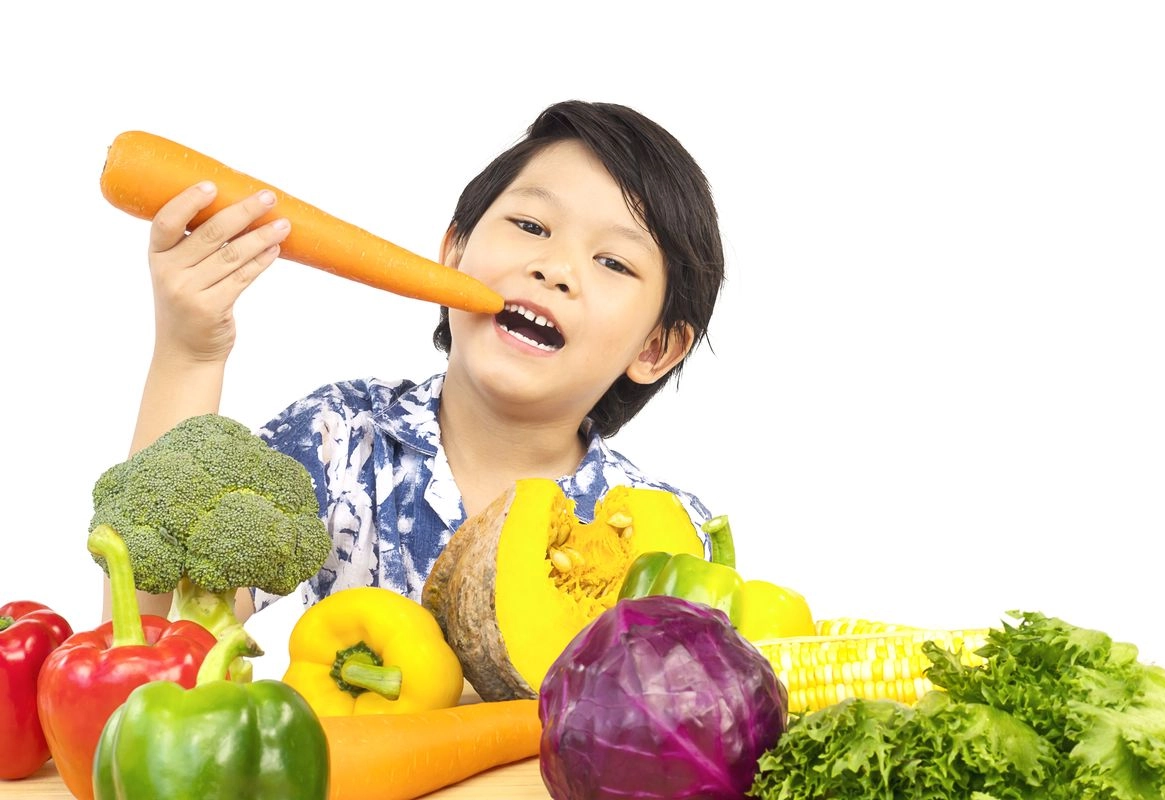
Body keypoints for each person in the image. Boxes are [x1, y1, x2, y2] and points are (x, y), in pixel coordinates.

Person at [104, 100, 726, 623]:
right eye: (532, 226)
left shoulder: (672, 538)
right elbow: (149, 640)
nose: (556, 268)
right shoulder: (339, 440)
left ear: (656, 348)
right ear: (452, 254)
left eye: (613, 262)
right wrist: (188, 353)